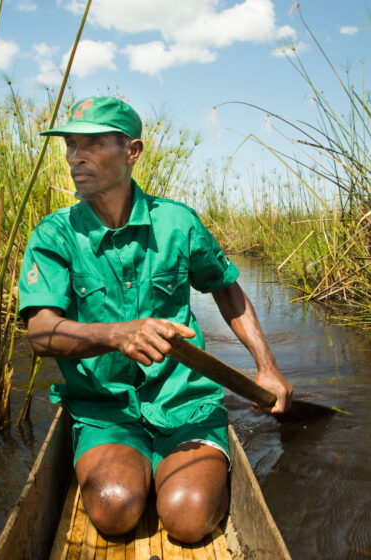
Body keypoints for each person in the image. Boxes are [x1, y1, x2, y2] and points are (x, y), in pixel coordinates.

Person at [18, 96, 292, 544]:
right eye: (70, 144)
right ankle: (134, 463)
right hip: (105, 408)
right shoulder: (55, 235)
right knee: (114, 507)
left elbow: (225, 286)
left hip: (183, 403)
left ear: (133, 152)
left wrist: (267, 365)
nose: (75, 156)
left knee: (188, 518)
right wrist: (116, 335)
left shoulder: (177, 223)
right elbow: (41, 332)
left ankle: (178, 470)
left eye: (92, 143)